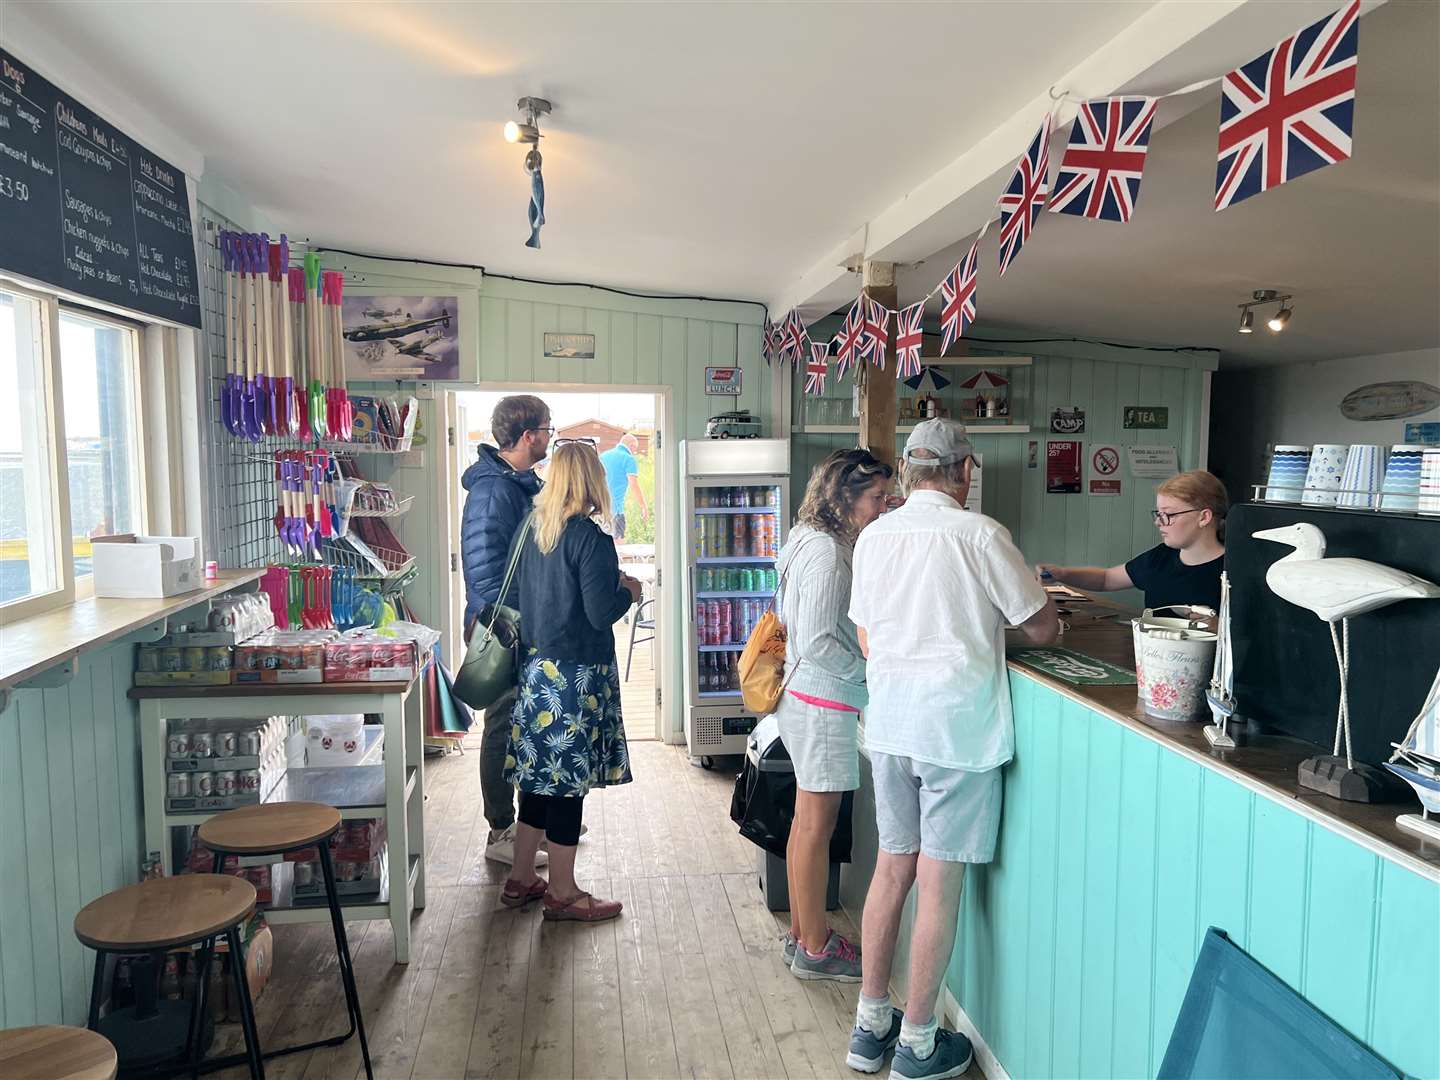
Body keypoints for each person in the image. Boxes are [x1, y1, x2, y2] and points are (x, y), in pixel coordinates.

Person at [846, 419, 1060, 1079]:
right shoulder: (980, 534)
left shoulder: (876, 535)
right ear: (966, 470)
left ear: (909, 471)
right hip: (957, 730)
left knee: (891, 871)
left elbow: (865, 635)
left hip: (891, 725)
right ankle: (917, 1042)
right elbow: (1044, 626)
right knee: (938, 884)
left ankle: (868, 1027)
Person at [501, 440, 643, 921]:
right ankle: (562, 892)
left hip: (538, 672)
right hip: (576, 680)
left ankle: (521, 878)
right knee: (566, 789)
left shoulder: (532, 529)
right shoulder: (590, 539)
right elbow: (600, 611)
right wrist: (629, 592)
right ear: (592, 481)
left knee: (538, 783)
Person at [775, 448, 894, 983]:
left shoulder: (805, 537)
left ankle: (803, 936)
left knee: (806, 825)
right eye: (875, 498)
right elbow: (823, 638)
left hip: (804, 696)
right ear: (844, 497)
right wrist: (873, 672)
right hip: (826, 700)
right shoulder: (827, 552)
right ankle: (818, 949)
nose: (882, 507)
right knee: (817, 829)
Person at [461, 394, 551, 867]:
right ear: (526, 436)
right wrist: (511, 620)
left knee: (519, 722)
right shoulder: (495, 491)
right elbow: (483, 568)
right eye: (546, 429)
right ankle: (500, 831)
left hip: (514, 621)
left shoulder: (513, 485)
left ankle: (527, 827)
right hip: (500, 626)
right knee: (500, 726)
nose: (550, 437)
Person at [1040, 469, 1228, 613]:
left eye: (1169, 514)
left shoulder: (1235, 572)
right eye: (1158, 514)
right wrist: (1062, 573)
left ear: (1204, 517)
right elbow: (1106, 579)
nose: (1158, 522)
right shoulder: (1160, 557)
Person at [599, 433, 648, 542]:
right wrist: (643, 506)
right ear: (631, 446)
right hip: (616, 511)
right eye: (635, 449)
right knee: (618, 545)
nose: (635, 452)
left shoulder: (603, 456)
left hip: (600, 509)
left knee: (602, 544)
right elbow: (634, 485)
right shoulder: (628, 459)